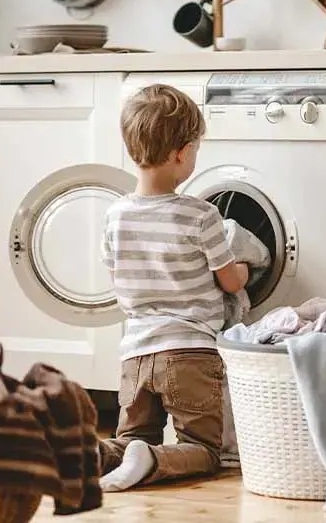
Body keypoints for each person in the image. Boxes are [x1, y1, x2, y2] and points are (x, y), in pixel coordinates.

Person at [97, 83, 249, 492]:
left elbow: (117, 277)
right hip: (189, 352)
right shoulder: (202, 215)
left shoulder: (115, 215)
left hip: (135, 353)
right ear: (182, 153)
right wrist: (246, 269)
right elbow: (229, 280)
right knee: (203, 449)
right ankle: (152, 459)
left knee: (131, 437)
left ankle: (92, 455)